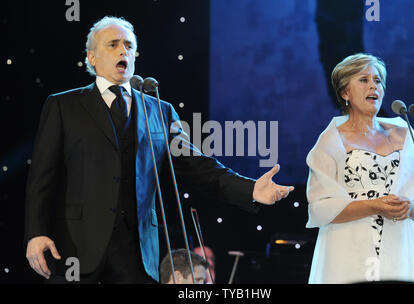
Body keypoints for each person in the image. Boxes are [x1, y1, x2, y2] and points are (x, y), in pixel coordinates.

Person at [24, 16, 294, 284]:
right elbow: (42, 177)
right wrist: (36, 233)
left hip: (137, 253)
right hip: (77, 247)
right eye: (113, 44)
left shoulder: (160, 110)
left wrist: (251, 190)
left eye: (129, 45)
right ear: (91, 57)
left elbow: (198, 165)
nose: (123, 51)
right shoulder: (64, 106)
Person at [305, 53, 414, 284]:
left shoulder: (404, 134)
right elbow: (320, 206)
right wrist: (374, 205)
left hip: (401, 244)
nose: (374, 86)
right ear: (345, 93)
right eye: (364, 80)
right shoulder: (330, 140)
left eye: (378, 80)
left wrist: (411, 206)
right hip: (349, 247)